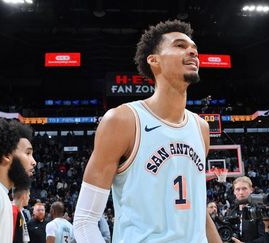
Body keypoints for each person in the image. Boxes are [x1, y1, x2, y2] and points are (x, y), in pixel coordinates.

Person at [73, 19, 221, 243]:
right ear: (154, 60)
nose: (192, 51)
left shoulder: (201, 128)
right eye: (180, 46)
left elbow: (198, 211)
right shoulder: (123, 120)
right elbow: (85, 220)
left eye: (195, 49)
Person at [228, 176, 266, 243]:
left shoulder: (258, 211)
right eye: (238, 189)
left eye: (244, 189)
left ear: (251, 190)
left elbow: (265, 238)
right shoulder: (231, 212)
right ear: (234, 192)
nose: (241, 192)